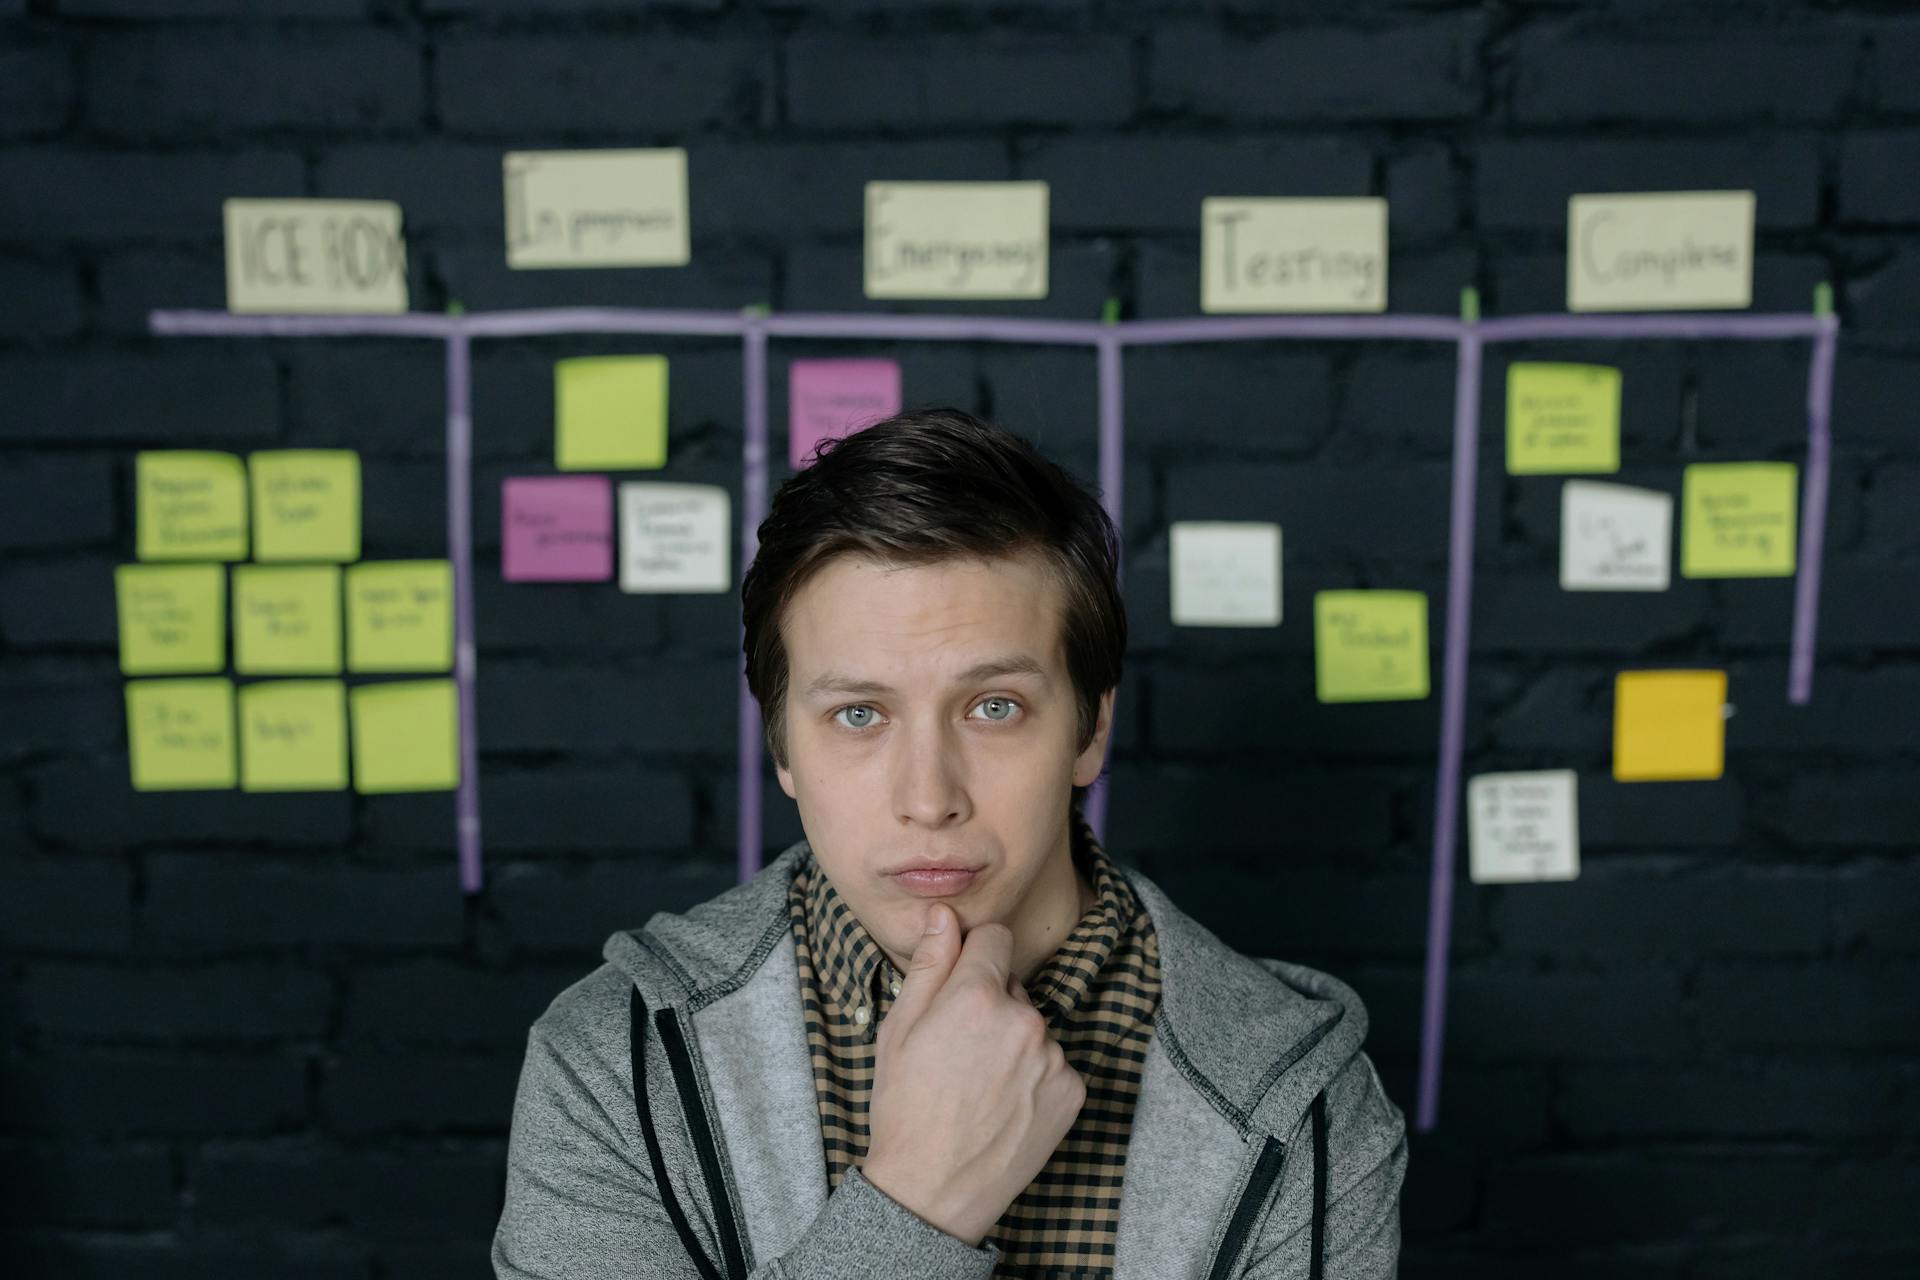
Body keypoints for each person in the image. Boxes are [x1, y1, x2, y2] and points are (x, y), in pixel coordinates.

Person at [492, 408, 1406, 1279]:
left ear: (1088, 729)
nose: (929, 799)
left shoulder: (1308, 1103)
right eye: (859, 714)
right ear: (781, 748)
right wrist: (917, 1201)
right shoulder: (616, 1064)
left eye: (994, 707)